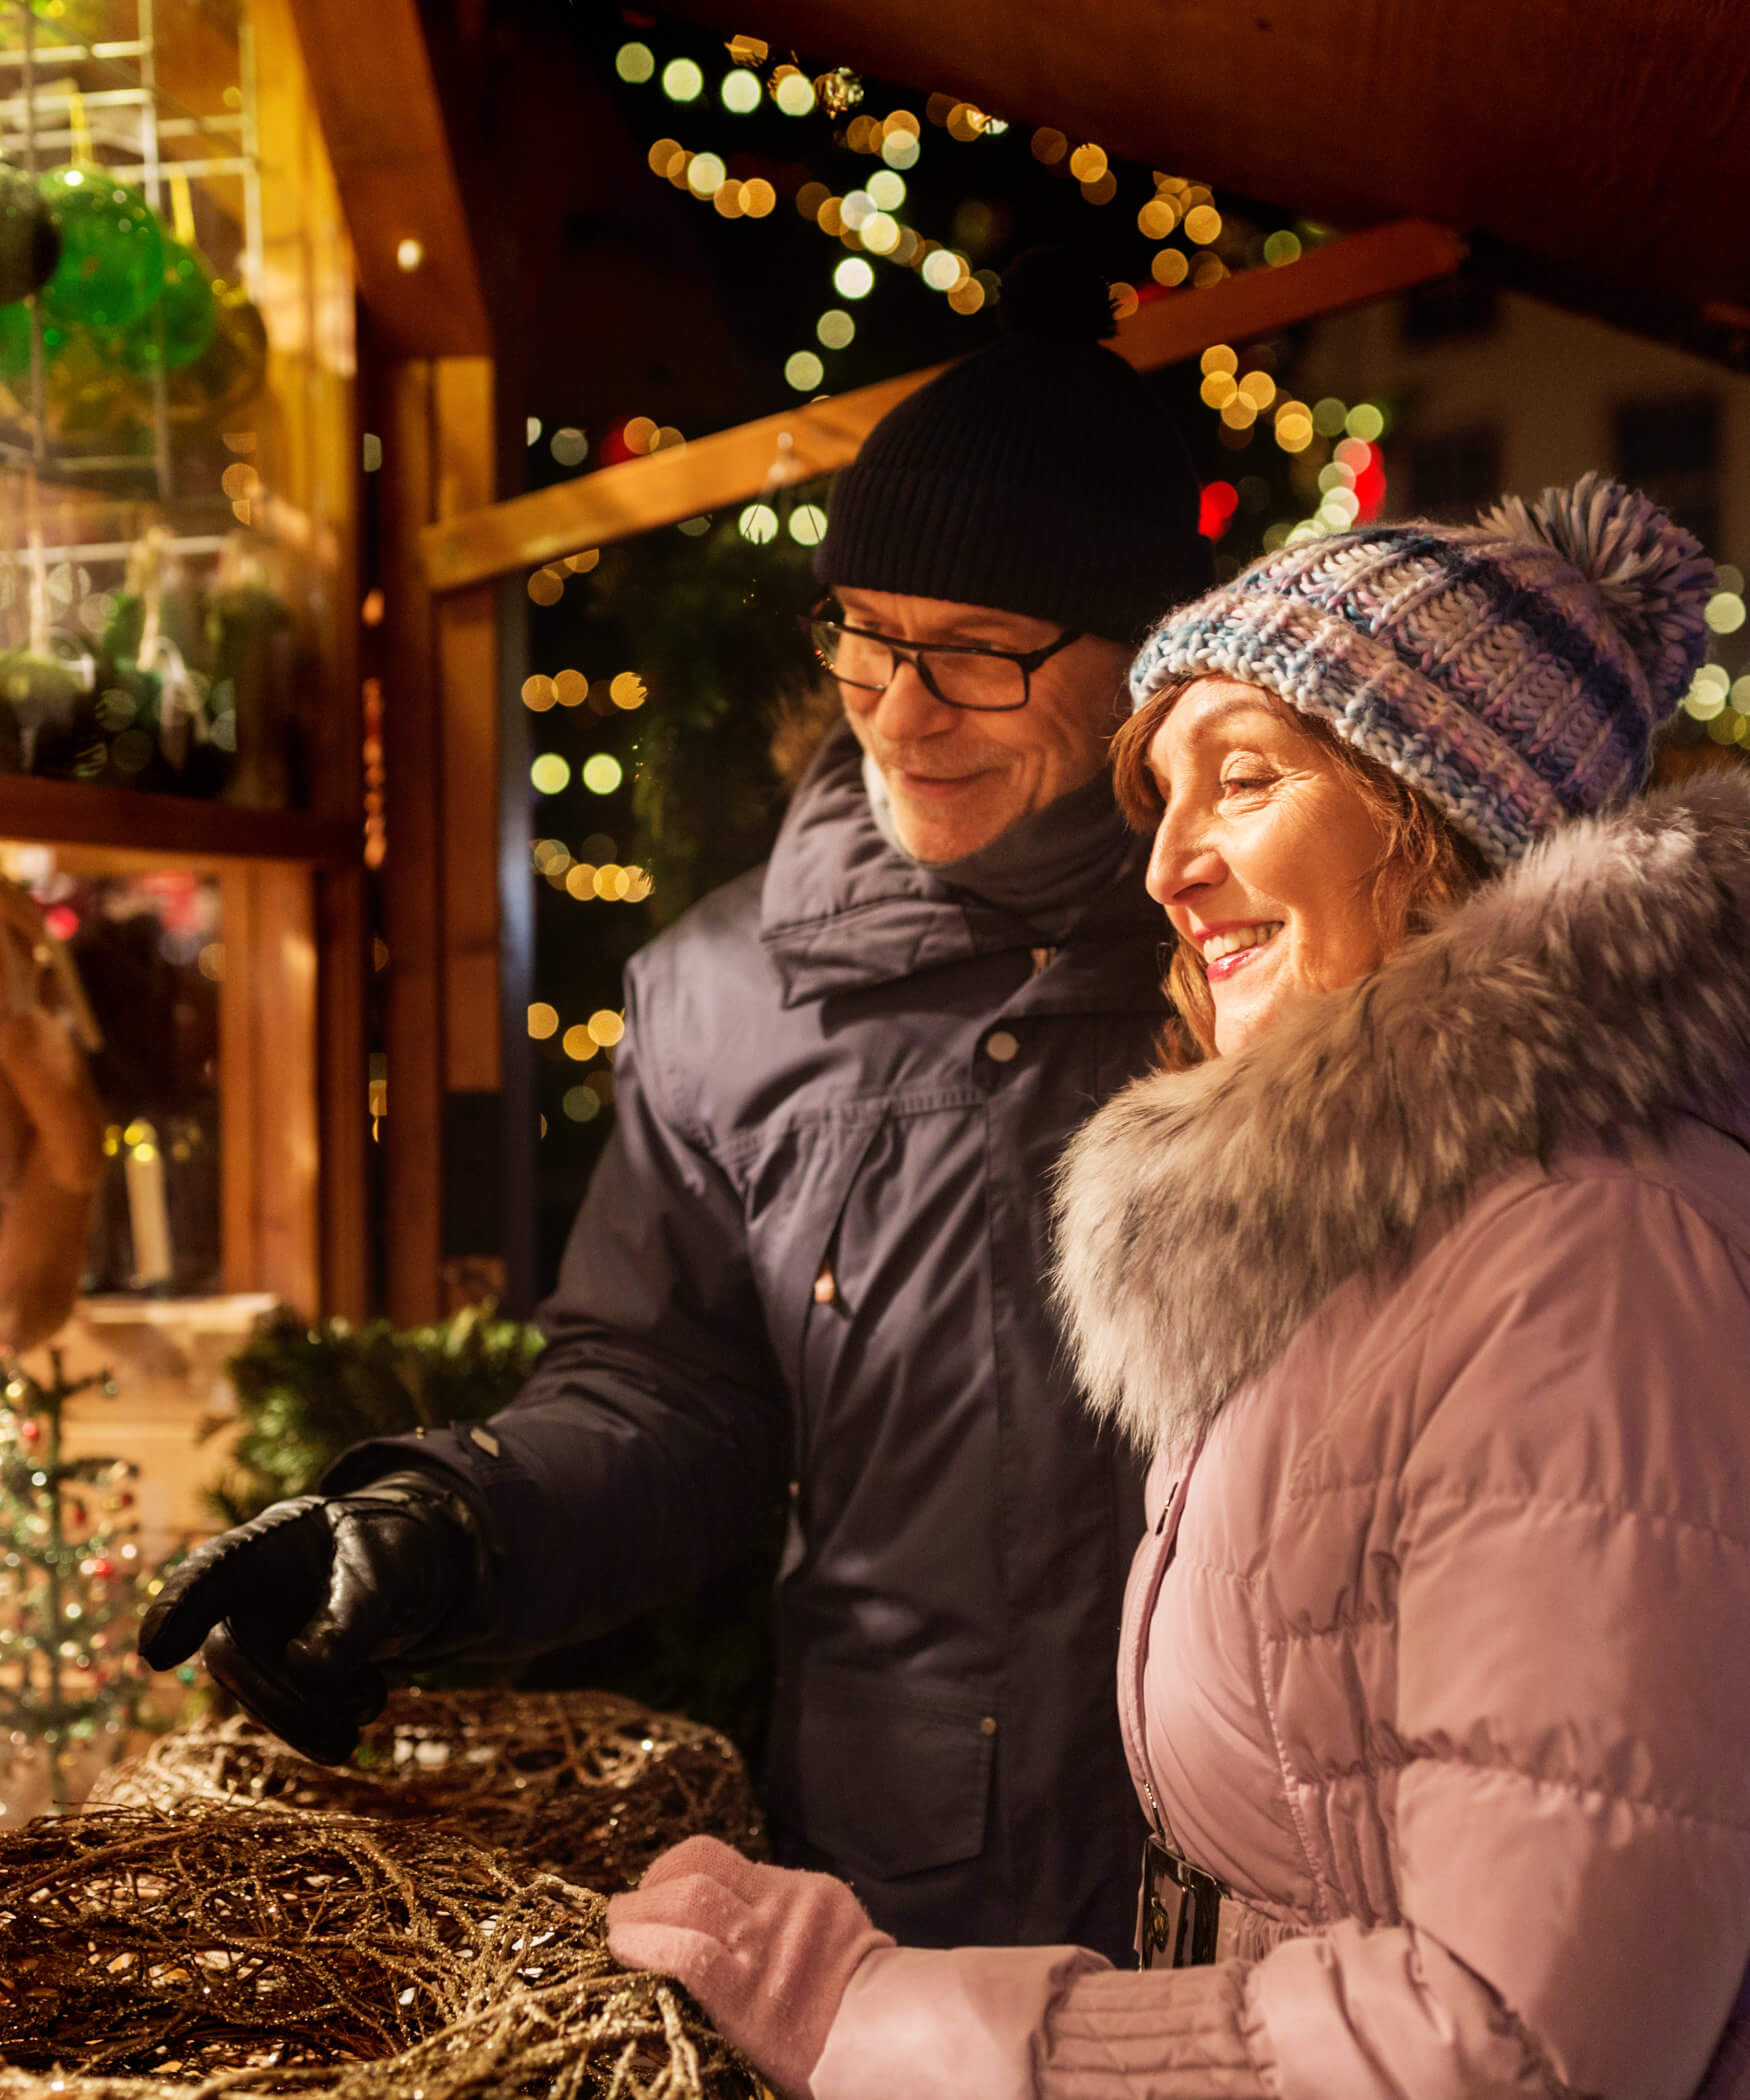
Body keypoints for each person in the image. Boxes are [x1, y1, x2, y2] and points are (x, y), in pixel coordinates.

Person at [603, 474, 1750, 2099]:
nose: (1169, 869)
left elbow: (1527, 2037)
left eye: (1246, 779)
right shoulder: (1371, 1243)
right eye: (1163, 798)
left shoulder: (1582, 1266)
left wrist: (881, 2019)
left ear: (1441, 823)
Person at [137, 257, 1211, 1960]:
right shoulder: (724, 996)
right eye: (864, 635)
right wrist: (437, 1525)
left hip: (1274, 1908)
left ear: (1143, 661)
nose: (901, 714)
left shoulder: (1271, 945)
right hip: (918, 1909)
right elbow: (668, 1393)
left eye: (978, 658)